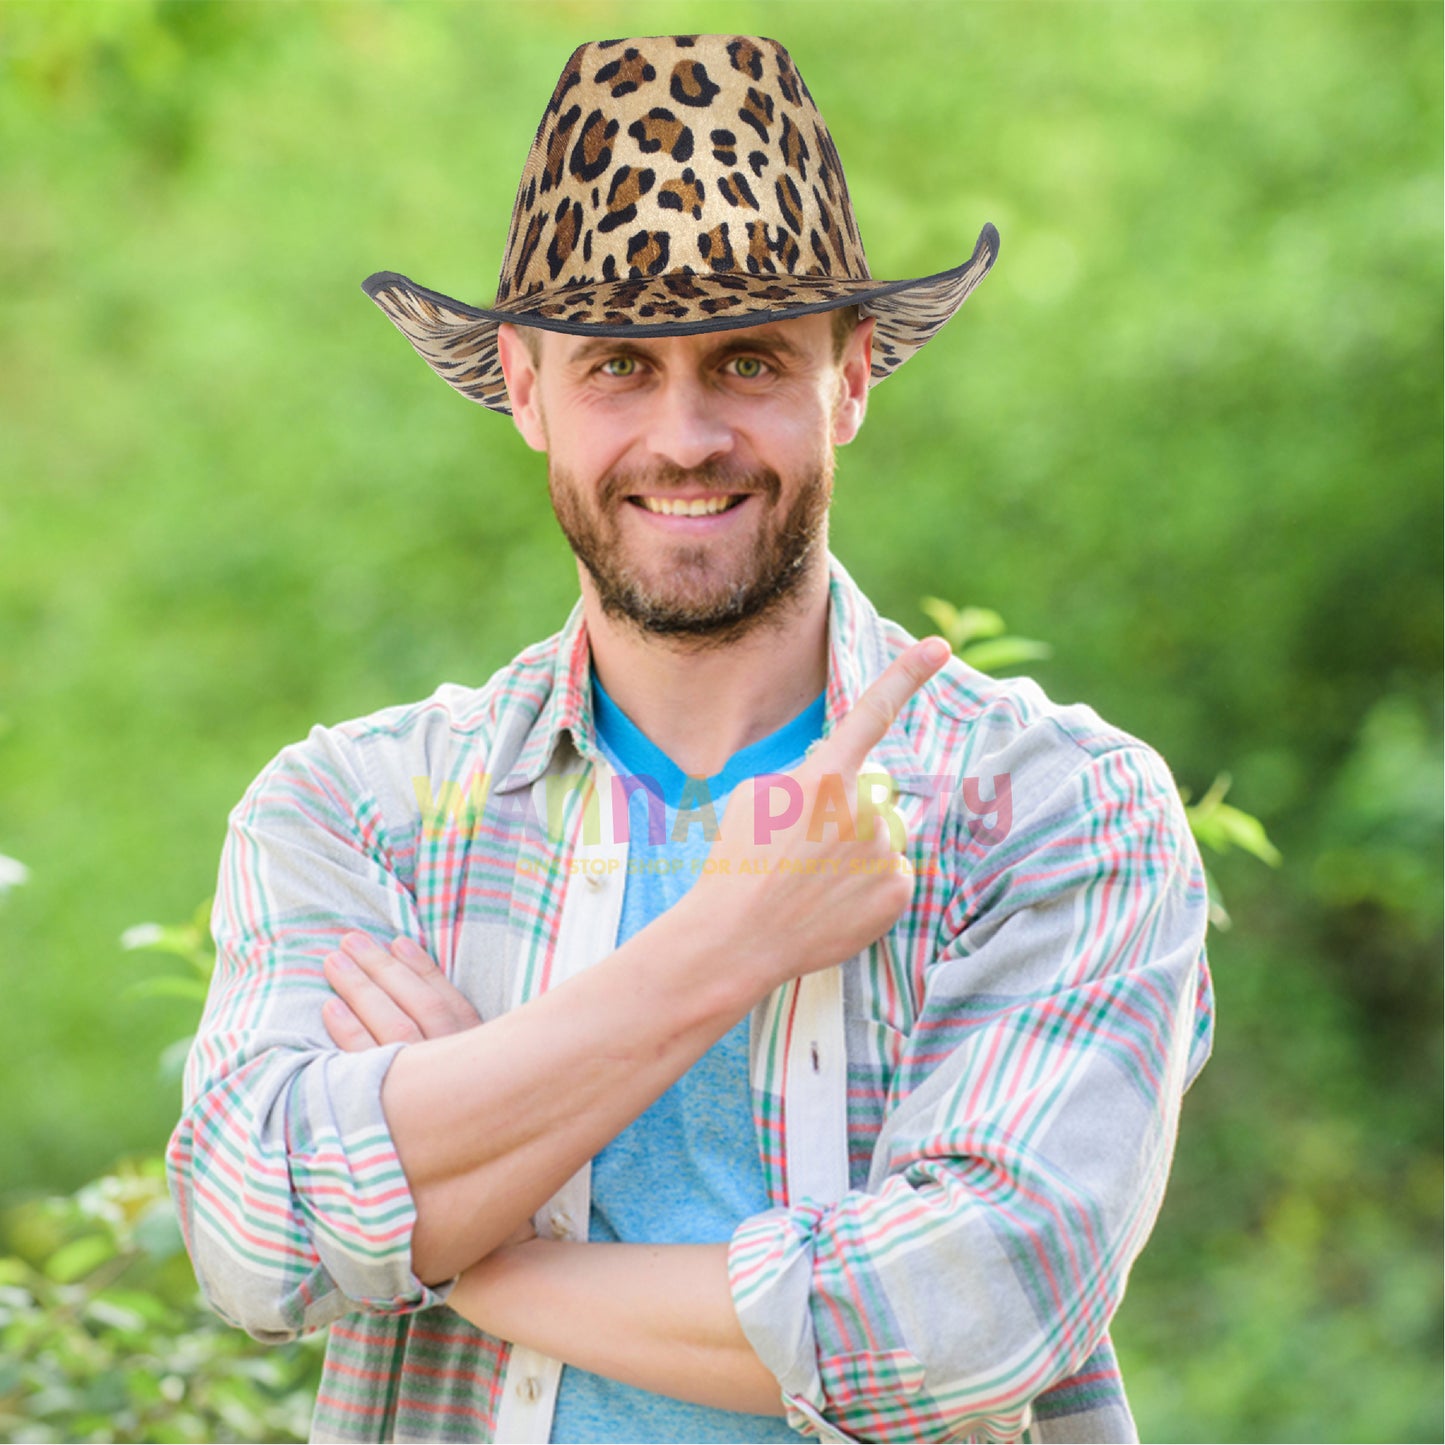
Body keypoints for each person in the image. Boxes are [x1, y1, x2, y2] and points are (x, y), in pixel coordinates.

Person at [166, 33, 1215, 1445]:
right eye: (616, 368)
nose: (684, 435)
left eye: (745, 360)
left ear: (845, 381)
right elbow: (255, 1237)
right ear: (524, 386)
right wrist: (736, 937)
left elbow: (978, 1315)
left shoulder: (1049, 807)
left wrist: (462, 1241)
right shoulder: (357, 812)